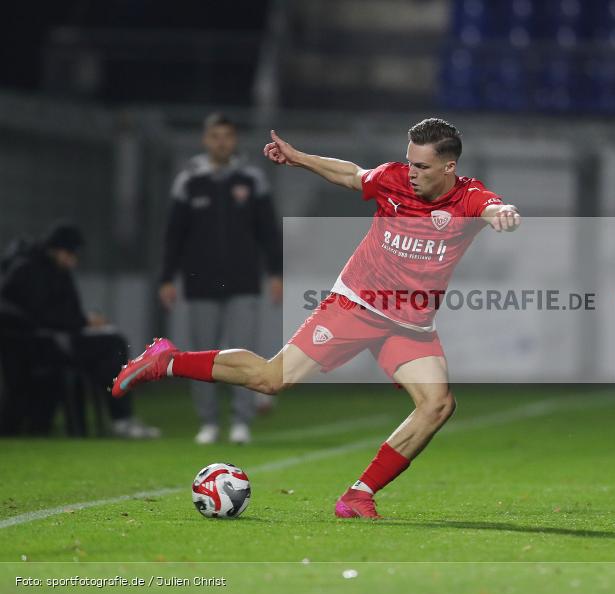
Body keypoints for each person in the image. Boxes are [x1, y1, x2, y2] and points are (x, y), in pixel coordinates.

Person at [113, 117, 520, 518]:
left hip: (410, 324)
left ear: (449, 167)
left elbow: (490, 207)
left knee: (437, 406)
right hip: (357, 304)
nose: (411, 172)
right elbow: (352, 175)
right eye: (409, 161)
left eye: (422, 166)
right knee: (270, 380)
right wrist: (298, 157)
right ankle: (167, 360)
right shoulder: (394, 179)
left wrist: (501, 214)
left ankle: (358, 496)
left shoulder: (468, 198)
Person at [160, 113, 283, 445]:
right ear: (205, 139)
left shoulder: (252, 179)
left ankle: (242, 421)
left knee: (243, 353)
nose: (221, 142)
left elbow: (268, 231)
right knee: (201, 354)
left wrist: (275, 272)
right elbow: (174, 234)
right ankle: (208, 423)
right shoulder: (188, 181)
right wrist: (166, 277)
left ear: (234, 140)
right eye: (215, 136)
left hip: (243, 281)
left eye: (227, 136)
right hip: (200, 282)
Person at [0, 223, 159, 438]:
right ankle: (121, 418)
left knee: (111, 349)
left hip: (55, 339)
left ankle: (119, 417)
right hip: (40, 344)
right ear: (58, 249)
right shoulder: (29, 270)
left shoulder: (52, 269)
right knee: (113, 345)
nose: (74, 260)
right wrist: (85, 321)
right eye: (71, 253)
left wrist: (83, 321)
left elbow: (63, 311)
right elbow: (40, 316)